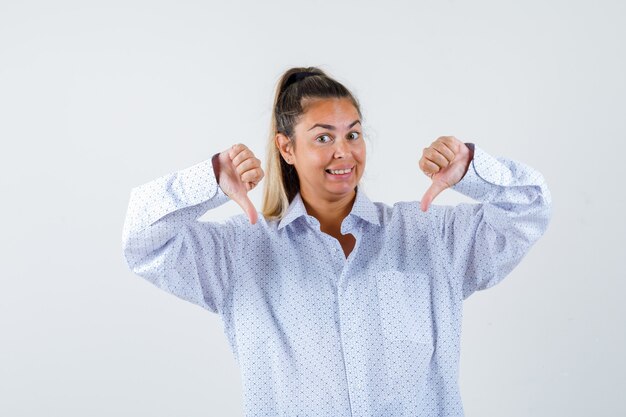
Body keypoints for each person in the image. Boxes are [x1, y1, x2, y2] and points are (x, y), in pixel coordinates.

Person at [121, 66, 551, 416]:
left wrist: (473, 170)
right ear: (286, 148)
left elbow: (530, 209)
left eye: (353, 134)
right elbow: (142, 241)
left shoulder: (428, 236)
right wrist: (209, 180)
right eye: (323, 137)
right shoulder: (241, 252)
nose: (343, 152)